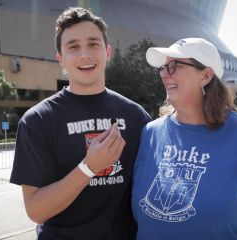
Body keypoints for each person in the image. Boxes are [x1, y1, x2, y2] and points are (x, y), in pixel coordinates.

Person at [131, 38, 237, 240]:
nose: (165, 74)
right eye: (164, 67)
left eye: (175, 66)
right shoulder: (150, 133)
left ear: (205, 75)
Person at [10, 7, 151, 240]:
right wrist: (88, 167)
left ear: (107, 52)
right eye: (73, 47)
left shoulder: (136, 116)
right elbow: (36, 210)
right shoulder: (38, 120)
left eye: (93, 44)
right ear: (60, 59)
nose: (84, 54)